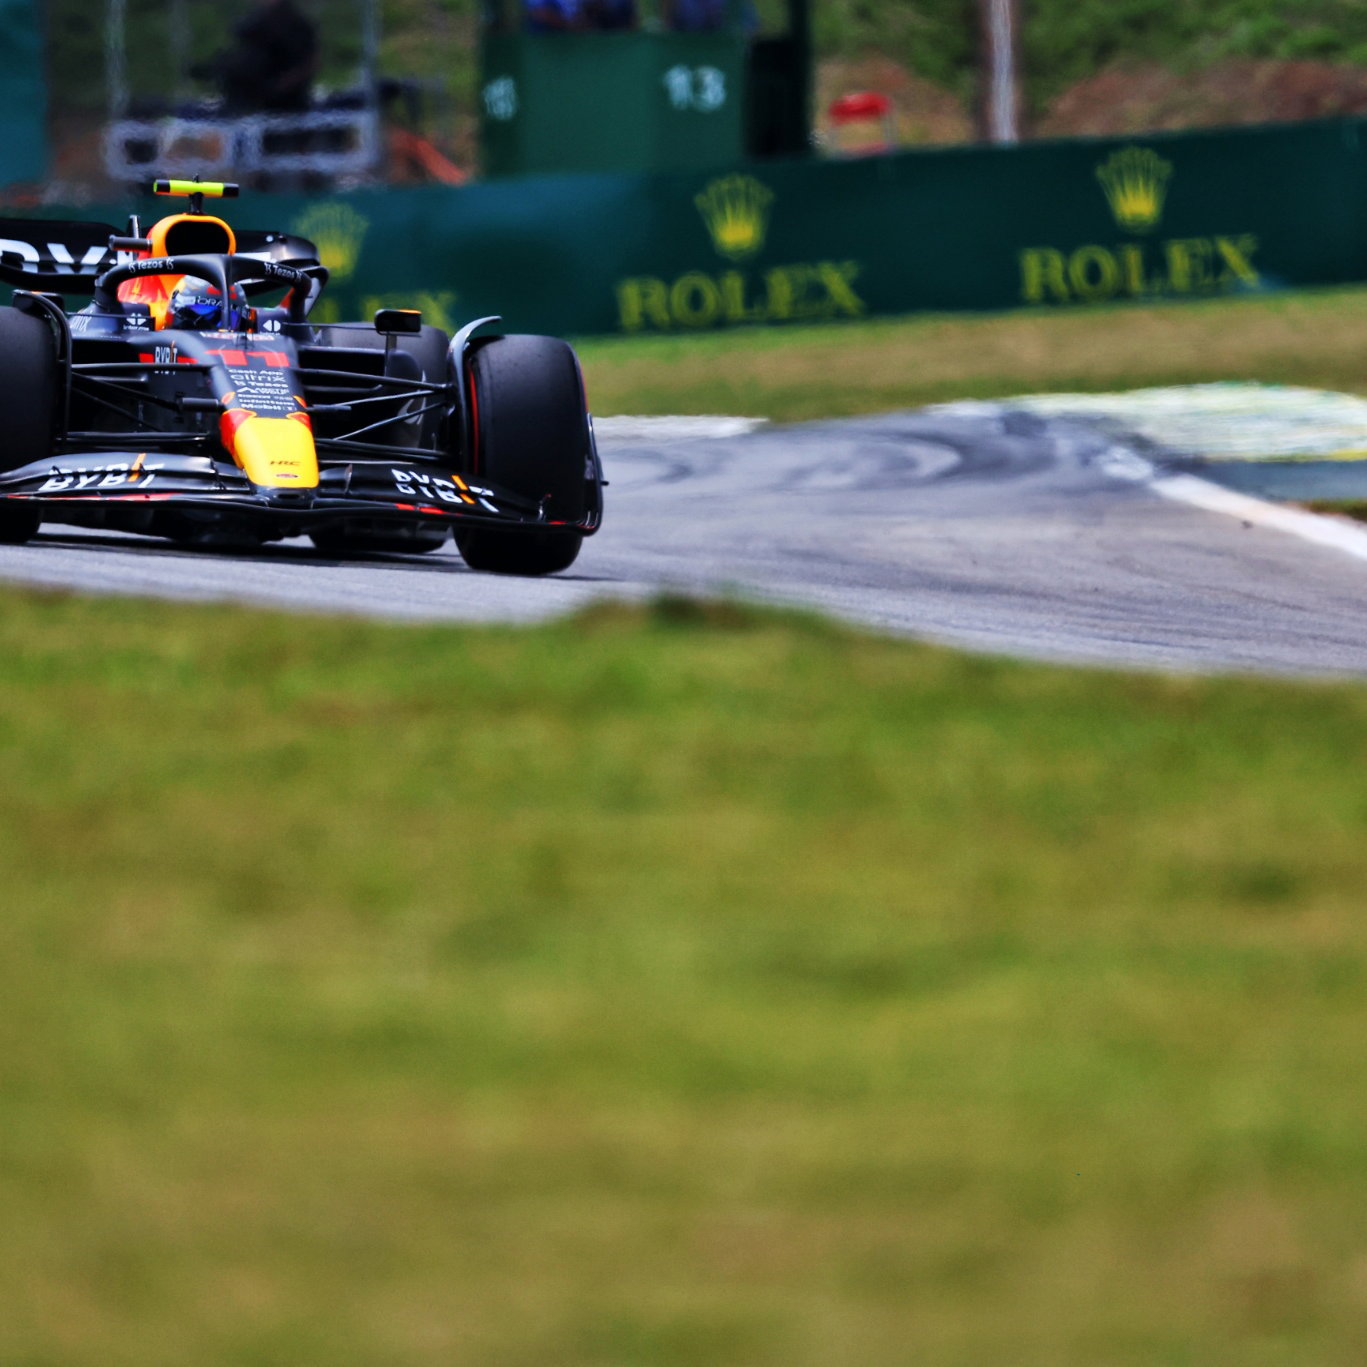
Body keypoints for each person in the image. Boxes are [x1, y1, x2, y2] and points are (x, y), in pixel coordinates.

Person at [216, 0, 320, 113]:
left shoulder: (295, 24)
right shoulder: (253, 24)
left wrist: (276, 89)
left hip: (282, 102)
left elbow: (308, 63)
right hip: (246, 100)